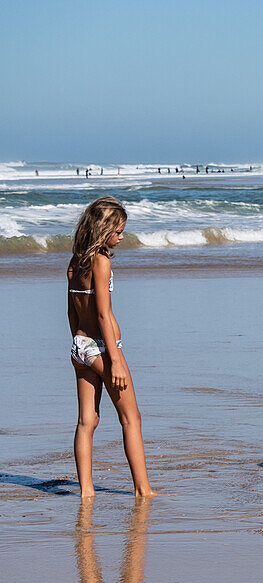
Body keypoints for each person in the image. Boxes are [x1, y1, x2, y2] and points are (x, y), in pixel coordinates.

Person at [67, 197, 155, 497]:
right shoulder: (100, 262)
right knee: (132, 417)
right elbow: (103, 314)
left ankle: (87, 492)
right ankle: (143, 490)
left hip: (79, 346)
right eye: (118, 230)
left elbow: (71, 311)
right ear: (103, 229)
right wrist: (114, 359)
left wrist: (79, 348)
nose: (121, 236)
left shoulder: (76, 260)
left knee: (86, 420)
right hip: (102, 348)